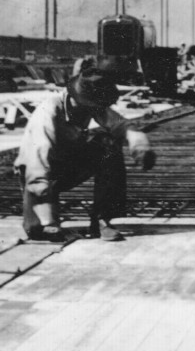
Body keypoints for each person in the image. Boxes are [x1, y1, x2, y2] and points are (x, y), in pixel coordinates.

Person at [14, 68, 156, 243]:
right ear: (79, 99)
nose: (99, 110)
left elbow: (122, 125)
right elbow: (36, 161)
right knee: (38, 232)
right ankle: (43, 221)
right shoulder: (47, 113)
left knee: (107, 145)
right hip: (38, 175)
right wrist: (48, 219)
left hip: (66, 164)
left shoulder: (89, 105)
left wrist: (140, 145)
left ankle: (102, 219)